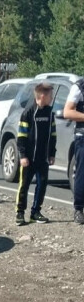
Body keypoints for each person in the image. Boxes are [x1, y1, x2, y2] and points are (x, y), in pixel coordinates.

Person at [14, 82, 56, 226]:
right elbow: (21, 136)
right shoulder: (28, 113)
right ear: (42, 96)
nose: (52, 98)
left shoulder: (50, 113)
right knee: (24, 185)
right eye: (51, 95)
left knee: (42, 184)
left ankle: (35, 212)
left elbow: (53, 135)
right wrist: (23, 155)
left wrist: (51, 153)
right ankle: (20, 212)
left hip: (43, 158)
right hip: (29, 158)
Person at [64, 78, 84, 224]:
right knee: (82, 174)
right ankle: (78, 209)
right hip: (83, 135)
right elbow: (67, 111)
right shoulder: (79, 86)